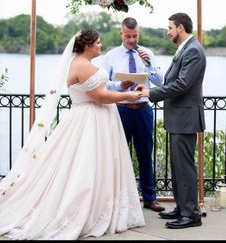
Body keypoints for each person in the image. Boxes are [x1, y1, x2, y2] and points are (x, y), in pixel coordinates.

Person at [0, 29, 145, 240]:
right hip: (90, 120)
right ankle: (86, 210)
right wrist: (128, 96)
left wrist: (120, 88)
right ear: (88, 46)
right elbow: (99, 96)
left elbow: (99, 91)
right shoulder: (82, 66)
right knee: (85, 165)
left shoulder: (80, 63)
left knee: (96, 165)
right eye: (98, 42)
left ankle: (100, 204)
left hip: (94, 118)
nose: (100, 45)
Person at [136, 13, 206, 229]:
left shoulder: (193, 50)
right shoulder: (186, 47)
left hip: (185, 117)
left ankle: (191, 215)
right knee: (177, 167)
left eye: (170, 28)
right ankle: (182, 207)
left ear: (180, 27)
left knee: (184, 168)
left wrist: (151, 93)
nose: (167, 32)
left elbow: (182, 84)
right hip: (179, 117)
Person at [102, 17, 165, 212]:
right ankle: (117, 200)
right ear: (121, 34)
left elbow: (160, 82)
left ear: (139, 33)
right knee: (117, 155)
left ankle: (150, 198)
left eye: (135, 36)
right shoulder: (111, 56)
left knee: (145, 154)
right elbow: (103, 83)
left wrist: (147, 65)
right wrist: (119, 85)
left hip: (143, 109)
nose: (132, 40)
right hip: (120, 109)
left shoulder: (148, 54)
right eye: (128, 36)